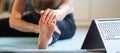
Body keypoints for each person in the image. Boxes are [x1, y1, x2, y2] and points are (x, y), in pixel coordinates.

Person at [0, 0, 76, 49]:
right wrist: (37, 28)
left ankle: (46, 40)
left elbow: (64, 9)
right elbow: (13, 21)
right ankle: (44, 32)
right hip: (35, 20)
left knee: (52, 25)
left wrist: (53, 14)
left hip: (63, 20)